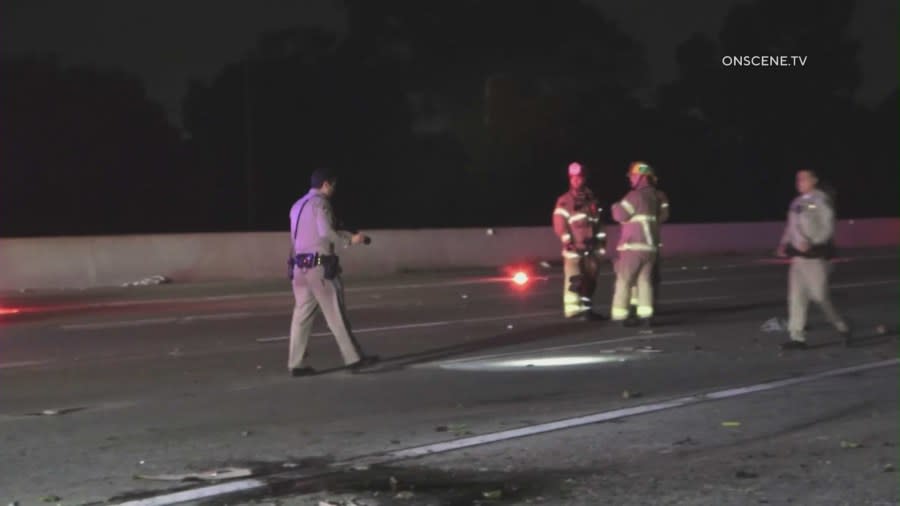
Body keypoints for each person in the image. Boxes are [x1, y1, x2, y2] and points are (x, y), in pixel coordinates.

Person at [286, 168, 379, 376]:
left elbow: (297, 238)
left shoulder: (297, 205)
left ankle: (296, 363)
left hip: (299, 268)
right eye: (333, 185)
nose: (334, 189)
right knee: (335, 313)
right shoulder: (320, 203)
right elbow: (325, 233)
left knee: (301, 317)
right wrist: (351, 240)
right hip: (318, 266)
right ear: (326, 184)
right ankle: (353, 358)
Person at [776, 169, 851, 349]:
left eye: (804, 178)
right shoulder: (796, 203)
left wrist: (815, 243)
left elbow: (828, 226)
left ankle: (842, 326)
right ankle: (797, 337)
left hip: (816, 258)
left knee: (819, 297)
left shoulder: (820, 200)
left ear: (814, 180)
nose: (799, 181)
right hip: (798, 258)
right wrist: (783, 243)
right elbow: (791, 226)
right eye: (798, 178)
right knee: (796, 297)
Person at [610, 162, 664, 327]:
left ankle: (620, 316)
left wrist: (614, 206)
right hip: (650, 248)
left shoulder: (635, 196)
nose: (631, 179)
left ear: (641, 177)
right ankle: (646, 316)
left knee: (624, 281)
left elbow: (619, 215)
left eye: (633, 176)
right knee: (645, 282)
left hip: (633, 247)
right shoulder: (655, 197)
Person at [552, 162, 607, 320]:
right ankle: (572, 311)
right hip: (574, 249)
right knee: (574, 279)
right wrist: (568, 241)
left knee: (591, 280)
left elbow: (599, 223)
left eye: (579, 178)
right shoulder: (564, 201)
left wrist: (601, 242)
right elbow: (559, 224)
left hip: (591, 248)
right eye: (573, 178)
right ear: (570, 180)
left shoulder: (592, 200)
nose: (576, 181)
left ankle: (587, 310)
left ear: (584, 179)